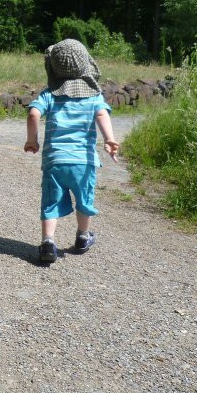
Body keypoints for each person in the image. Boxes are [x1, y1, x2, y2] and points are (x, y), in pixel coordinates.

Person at [23, 39, 119, 264]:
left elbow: (33, 114)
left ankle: (48, 242)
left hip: (54, 161)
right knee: (84, 200)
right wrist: (110, 139)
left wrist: (32, 140)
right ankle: (83, 237)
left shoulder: (49, 95)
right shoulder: (94, 96)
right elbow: (102, 115)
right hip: (83, 162)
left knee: (50, 203)